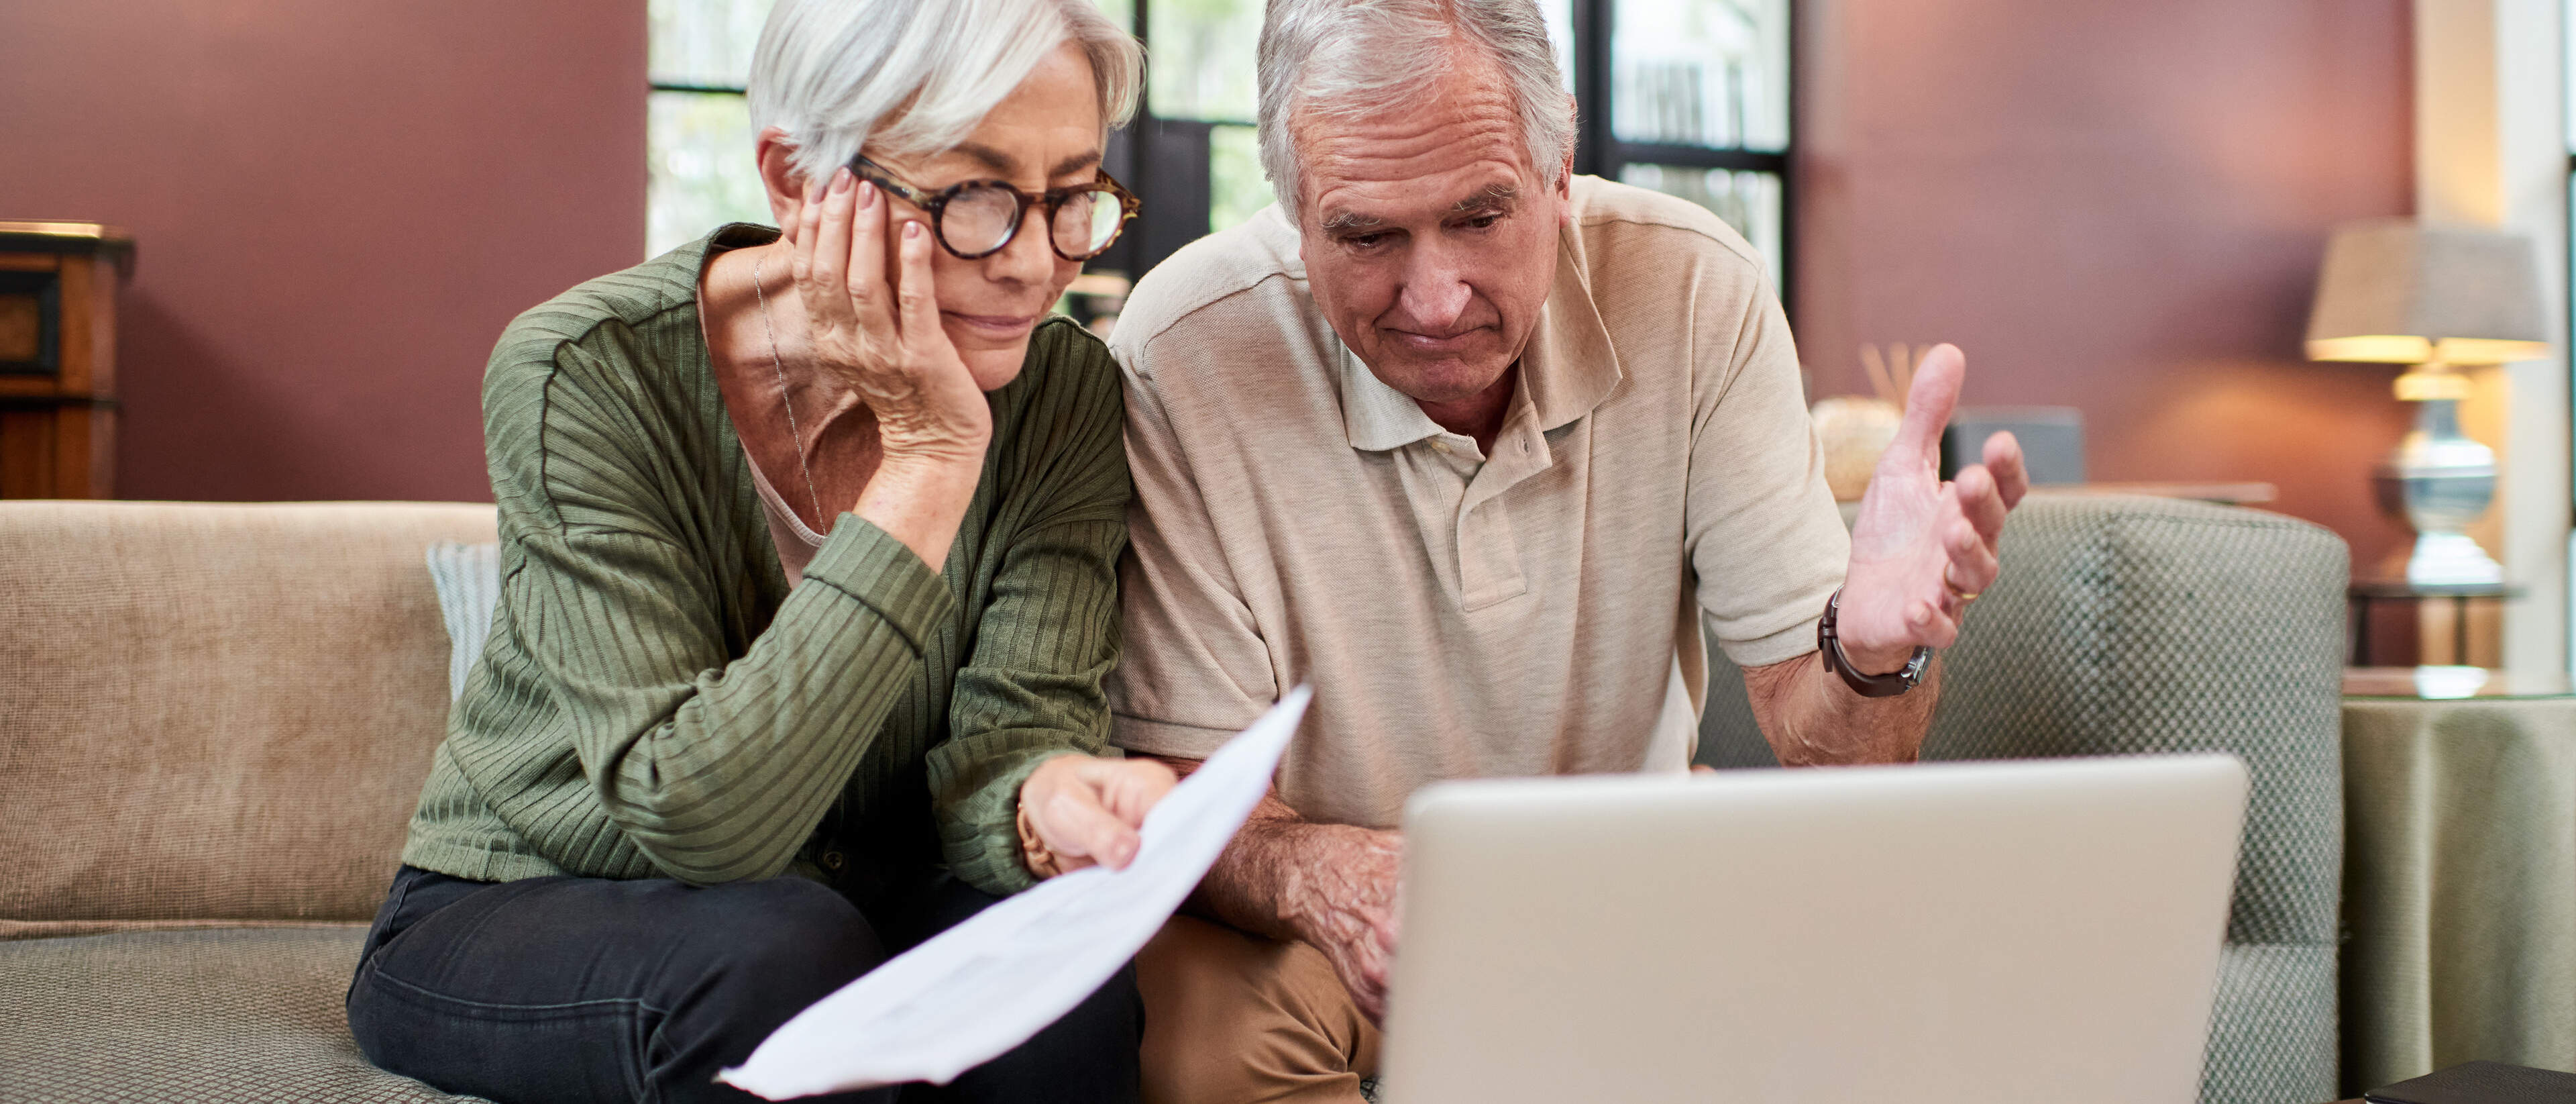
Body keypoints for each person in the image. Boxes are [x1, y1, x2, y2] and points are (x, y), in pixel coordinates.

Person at [1101, 0, 2033, 1099]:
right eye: (1365, 237)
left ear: (1559, 173)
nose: (1435, 299)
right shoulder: (1182, 348)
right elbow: (1185, 783)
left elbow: (1837, 755)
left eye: (1481, 216)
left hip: (1629, 889)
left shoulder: (1699, 291)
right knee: (1196, 1033)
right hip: (1315, 926)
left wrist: (1871, 656)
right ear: (1295, 211)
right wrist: (1330, 878)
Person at [343, 1, 1172, 1100]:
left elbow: (1011, 736)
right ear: (794, 178)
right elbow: (692, 811)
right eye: (976, 198)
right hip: (535, 893)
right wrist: (927, 459)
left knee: (1064, 979)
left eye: (1073, 197)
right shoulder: (586, 369)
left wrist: (1048, 797)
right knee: (779, 952)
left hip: (861, 891)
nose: (1034, 262)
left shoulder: (1064, 392)